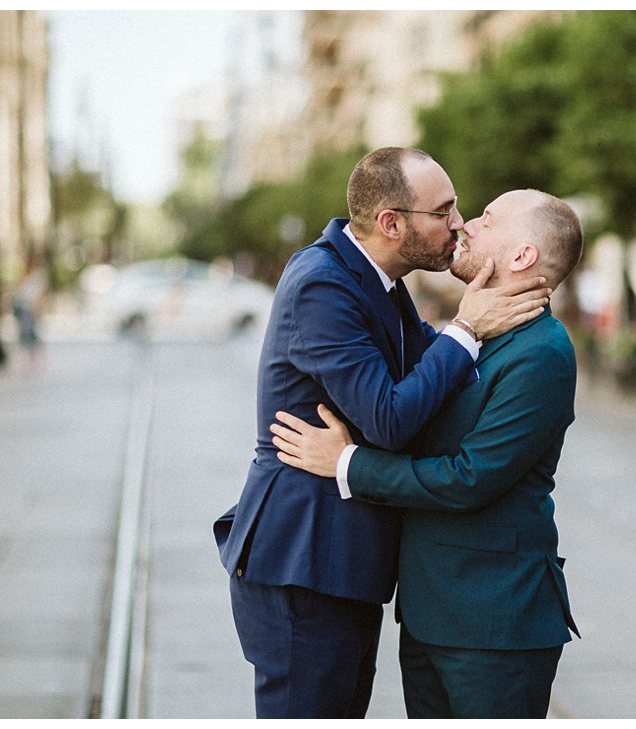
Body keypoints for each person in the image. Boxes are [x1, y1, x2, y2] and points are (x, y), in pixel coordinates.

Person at [212, 148, 551, 719]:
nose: (459, 224)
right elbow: (391, 419)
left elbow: (434, 385)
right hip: (305, 558)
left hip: (343, 560)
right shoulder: (323, 283)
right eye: (443, 211)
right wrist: (466, 327)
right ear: (392, 223)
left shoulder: (380, 280)